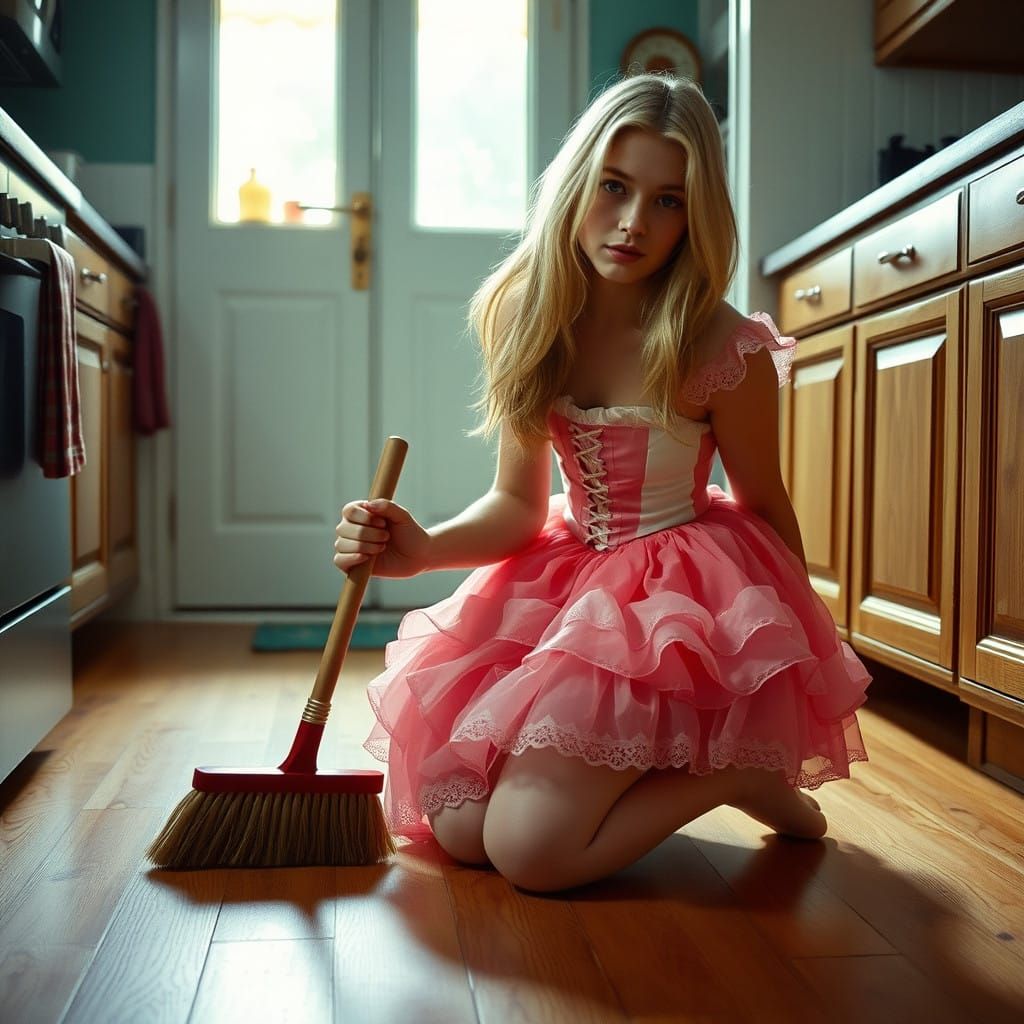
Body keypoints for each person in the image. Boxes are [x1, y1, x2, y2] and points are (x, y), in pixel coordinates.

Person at [334, 73, 871, 894]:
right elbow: (518, 503)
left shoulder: (724, 347)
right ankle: (680, 766)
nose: (632, 223)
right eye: (614, 188)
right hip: (567, 576)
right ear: (577, 184)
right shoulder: (526, 312)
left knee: (532, 853)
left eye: (668, 200)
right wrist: (424, 549)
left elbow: (764, 505)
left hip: (681, 599)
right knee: (459, 824)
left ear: (697, 215)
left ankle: (736, 771)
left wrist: (792, 670)